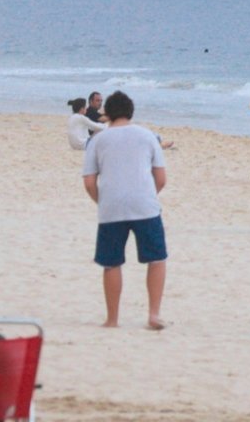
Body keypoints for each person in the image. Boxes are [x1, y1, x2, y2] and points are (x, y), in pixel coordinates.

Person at [80, 90, 166, 329]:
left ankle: (112, 319)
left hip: (111, 206)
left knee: (111, 263)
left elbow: (89, 182)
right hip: (145, 205)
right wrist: (148, 195)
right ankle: (154, 314)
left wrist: (102, 200)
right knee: (157, 259)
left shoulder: (98, 140)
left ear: (108, 114)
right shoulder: (147, 136)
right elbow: (161, 177)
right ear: (130, 111)